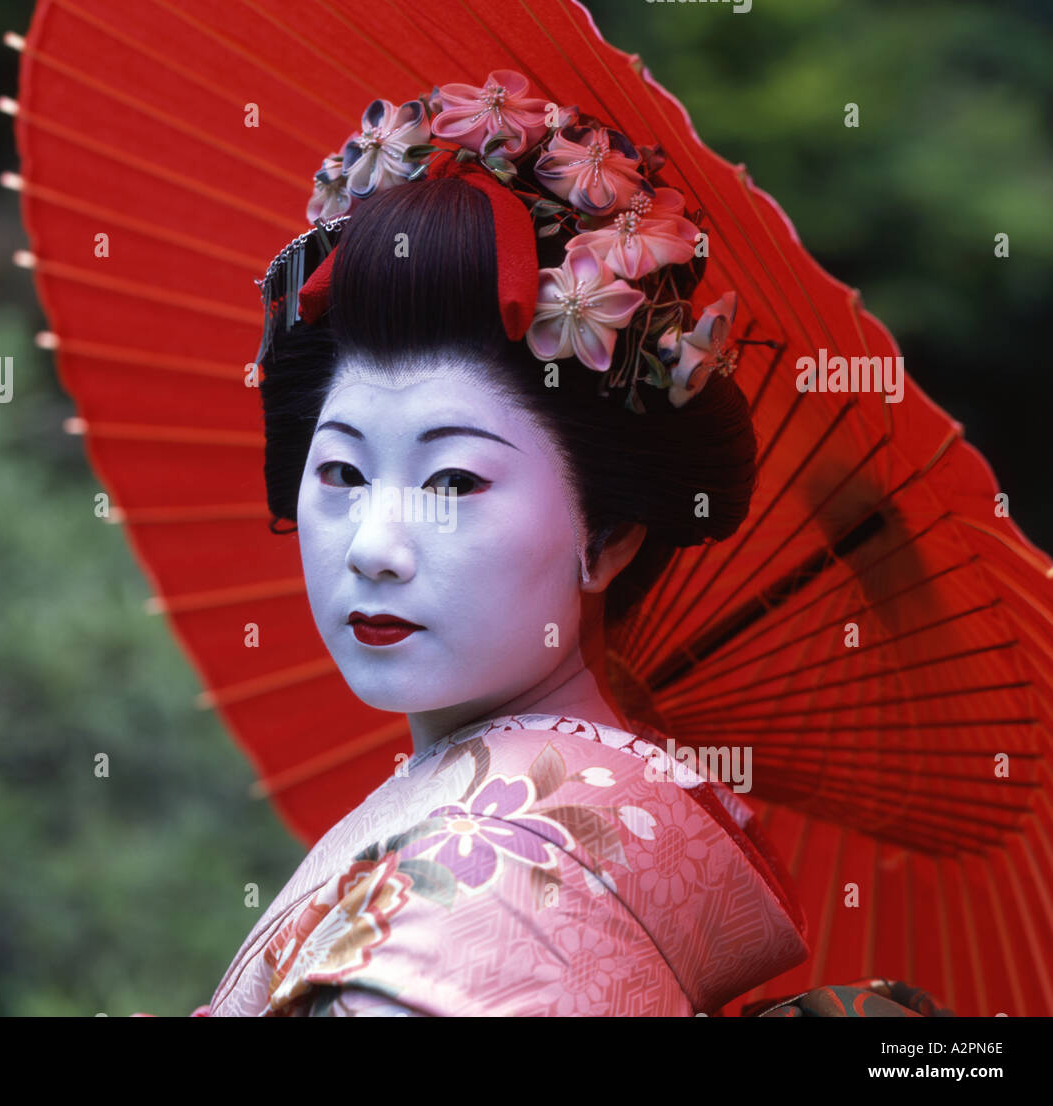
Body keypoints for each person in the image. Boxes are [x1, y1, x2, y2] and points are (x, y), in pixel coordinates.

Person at [189, 80, 950, 1017]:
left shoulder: (473, 905)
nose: (375, 548)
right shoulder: (615, 816)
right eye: (342, 474)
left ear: (609, 535)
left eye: (454, 483)